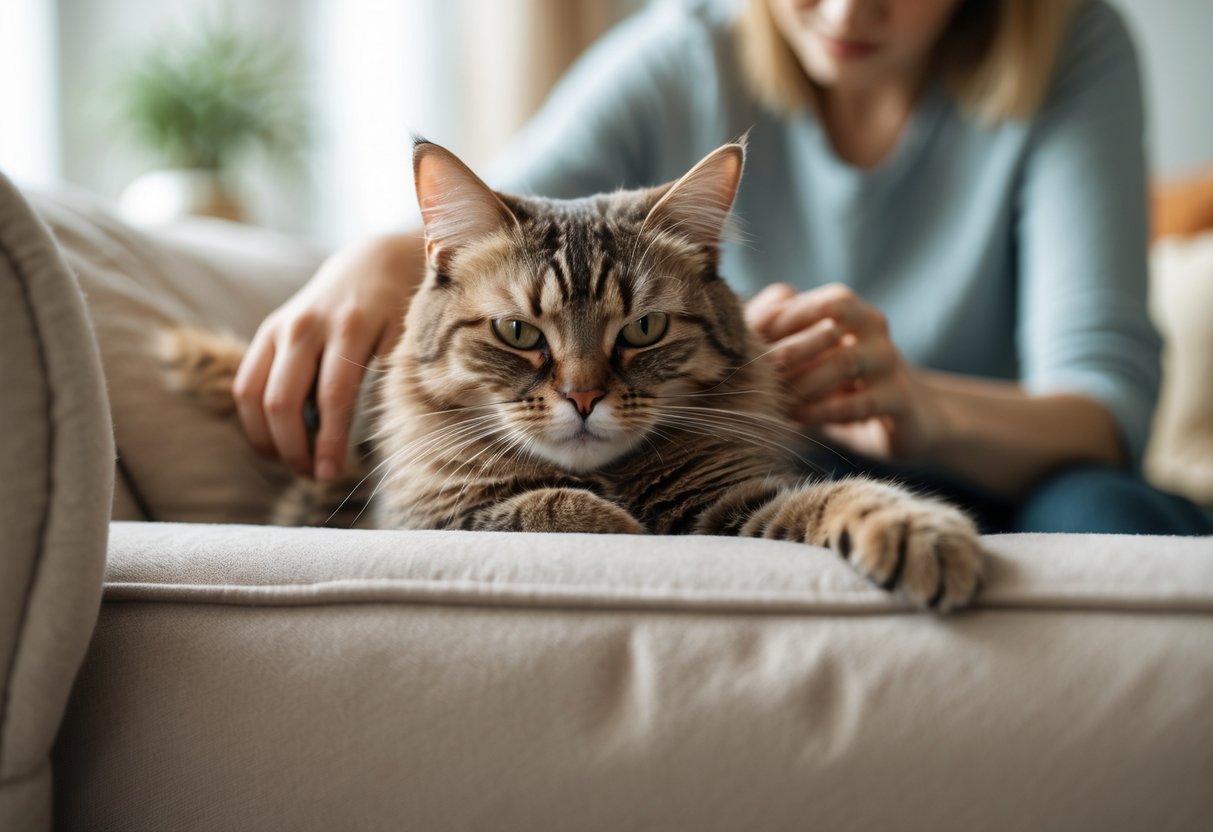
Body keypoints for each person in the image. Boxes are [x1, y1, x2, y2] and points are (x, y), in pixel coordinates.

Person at [233, 0, 1213, 534]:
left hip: (1013, 471)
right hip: (763, 460)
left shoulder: (1071, 42)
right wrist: (367, 260)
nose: (844, 11)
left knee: (1105, 516)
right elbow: (513, 232)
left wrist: (922, 404)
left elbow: (1104, 411)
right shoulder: (683, 48)